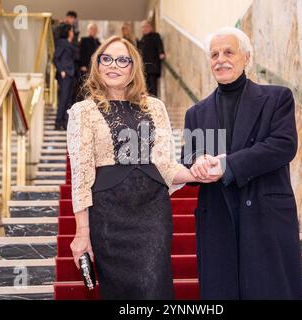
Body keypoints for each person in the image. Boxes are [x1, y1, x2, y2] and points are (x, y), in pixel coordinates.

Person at [67, 36, 201, 299]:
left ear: (133, 67)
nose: (112, 65)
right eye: (106, 59)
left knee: (153, 286)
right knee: (119, 291)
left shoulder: (155, 107)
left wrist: (196, 173)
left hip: (153, 212)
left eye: (122, 60)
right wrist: (82, 233)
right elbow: (81, 176)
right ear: (97, 65)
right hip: (108, 215)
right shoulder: (82, 111)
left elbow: (165, 165)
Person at [181, 27, 302, 299]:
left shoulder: (277, 98)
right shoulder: (196, 113)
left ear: (246, 58)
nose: (220, 59)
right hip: (216, 219)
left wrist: (228, 165)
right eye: (214, 54)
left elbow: (283, 145)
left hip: (265, 217)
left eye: (228, 52)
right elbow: (188, 159)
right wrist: (198, 163)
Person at [53, 24, 76, 131]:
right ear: (67, 32)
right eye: (71, 30)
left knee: (68, 101)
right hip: (65, 75)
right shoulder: (62, 43)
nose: (73, 32)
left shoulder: (70, 43)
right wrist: (61, 70)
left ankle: (64, 123)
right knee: (63, 100)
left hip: (71, 74)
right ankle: (58, 123)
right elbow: (55, 58)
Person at [137, 20, 165, 97]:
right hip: (144, 68)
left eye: (146, 27)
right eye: (142, 27)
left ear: (150, 27)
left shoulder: (155, 35)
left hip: (153, 67)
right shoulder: (142, 38)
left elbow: (159, 45)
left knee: (153, 87)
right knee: (146, 87)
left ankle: (154, 102)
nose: (144, 29)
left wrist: (161, 52)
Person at [77, 23, 101, 100]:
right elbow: (80, 53)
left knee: (94, 88)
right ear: (88, 30)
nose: (93, 31)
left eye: (95, 29)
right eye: (91, 29)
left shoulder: (98, 43)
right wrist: (82, 65)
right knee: (85, 88)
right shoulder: (84, 40)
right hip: (85, 68)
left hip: (96, 70)